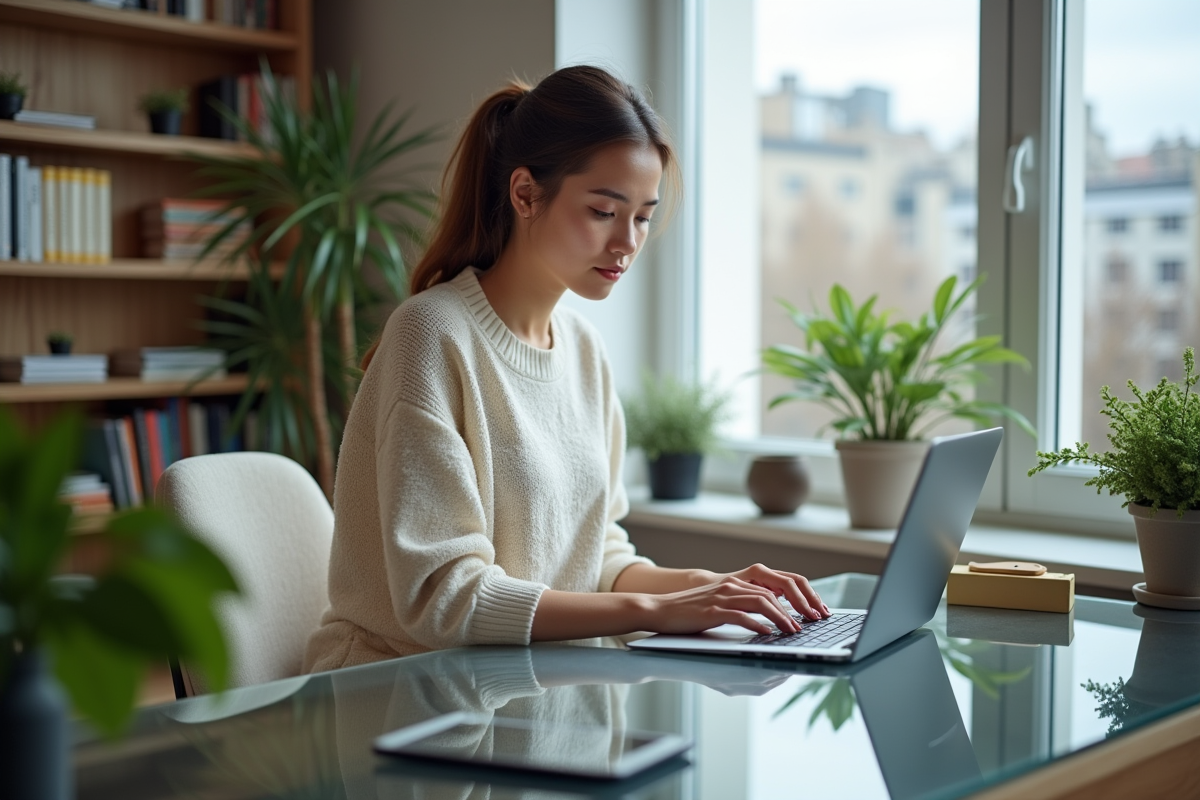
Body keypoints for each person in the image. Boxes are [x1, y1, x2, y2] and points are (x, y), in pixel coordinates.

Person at [303, 65, 830, 674]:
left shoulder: (583, 350)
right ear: (526, 194)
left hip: (532, 693)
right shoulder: (432, 336)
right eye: (604, 211)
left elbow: (596, 556)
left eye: (642, 216)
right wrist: (655, 611)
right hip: (402, 697)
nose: (627, 243)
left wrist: (709, 588)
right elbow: (444, 600)